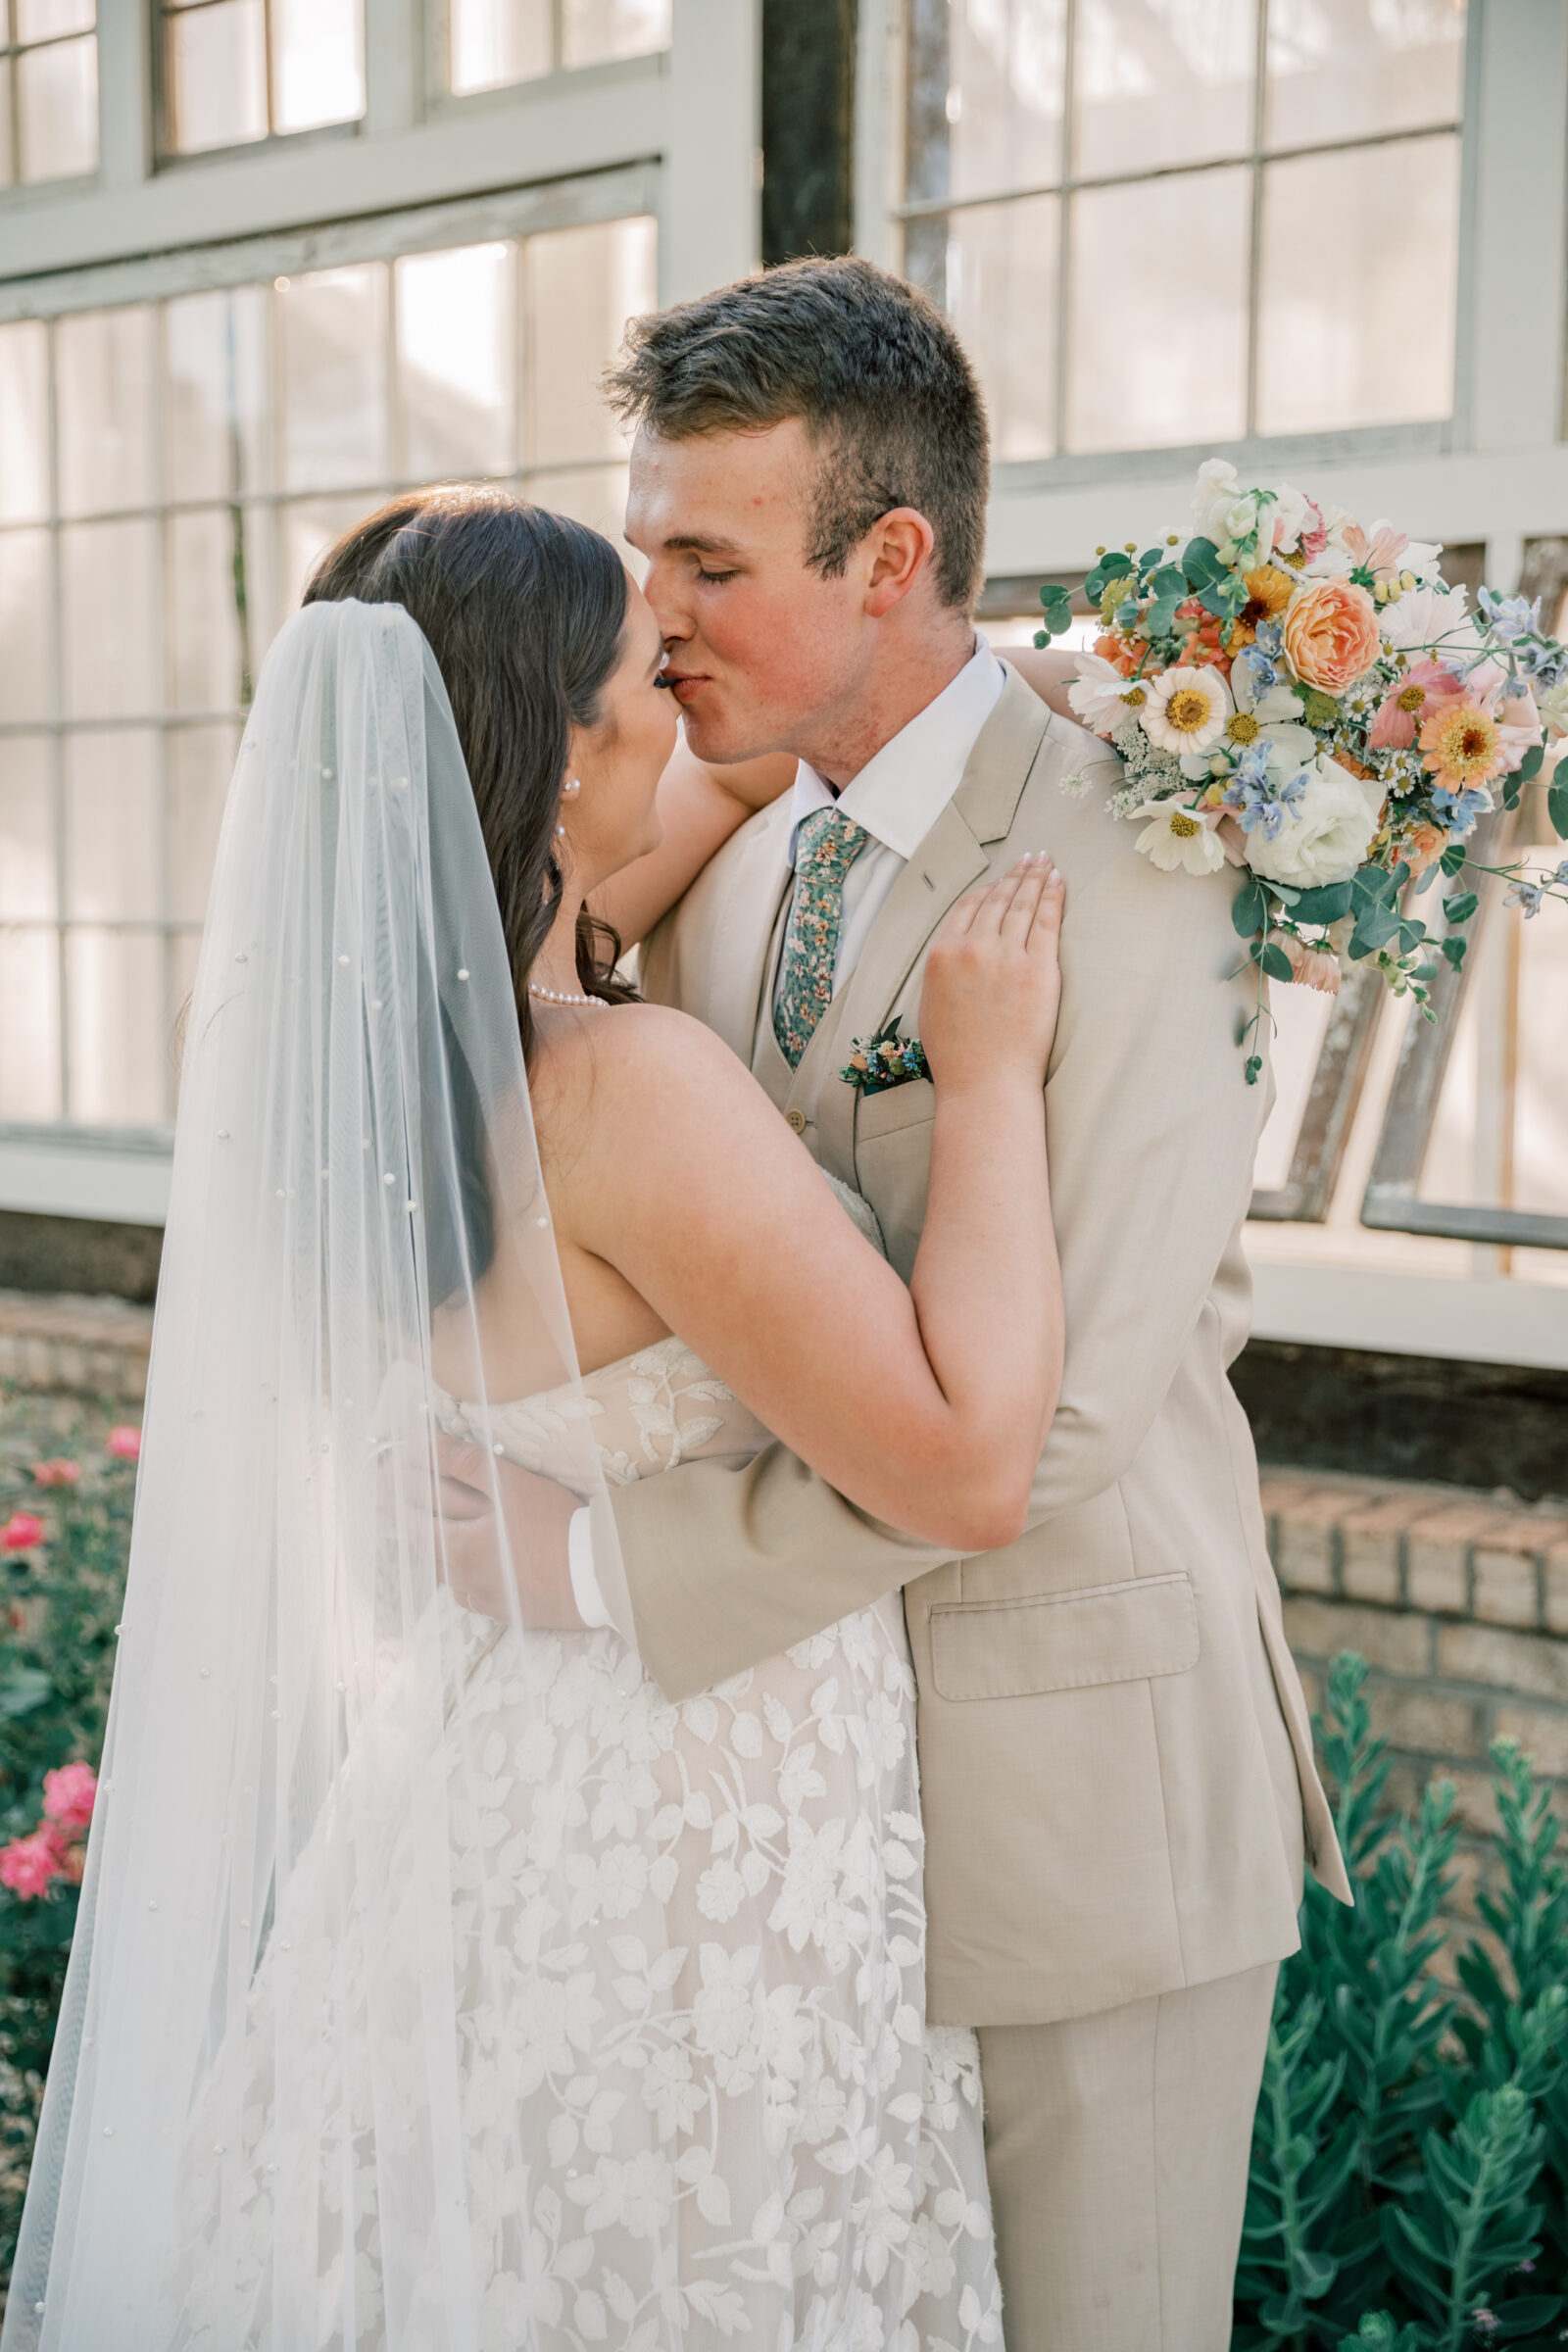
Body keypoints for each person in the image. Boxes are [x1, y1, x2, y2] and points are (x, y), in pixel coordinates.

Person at [4, 490, 1070, 2346]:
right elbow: (968, 1462)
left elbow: (666, 819)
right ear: (558, 756)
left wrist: (989, 696)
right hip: (707, 1813)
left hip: (489, 1798)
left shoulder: (363, 1086)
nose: (681, 695)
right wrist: (982, 1080)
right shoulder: (626, 1092)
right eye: (644, 675)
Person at [443, 258, 1351, 2352]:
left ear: (890, 560)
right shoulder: (726, 809)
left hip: (1061, 1813)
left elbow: (1044, 1429)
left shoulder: (1132, 852)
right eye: (642, 541)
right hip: (781, 1859)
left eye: (704, 558)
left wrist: (603, 1564)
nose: (644, 611)